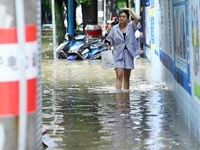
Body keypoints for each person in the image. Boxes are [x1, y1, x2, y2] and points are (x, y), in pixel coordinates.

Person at [105, 8, 141, 90]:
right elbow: (110, 39)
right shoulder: (114, 28)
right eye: (120, 16)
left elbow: (138, 18)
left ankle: (126, 98)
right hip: (118, 54)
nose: (121, 18)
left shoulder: (132, 26)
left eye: (124, 17)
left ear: (127, 19)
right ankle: (118, 98)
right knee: (119, 76)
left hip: (129, 54)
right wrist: (107, 43)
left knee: (126, 78)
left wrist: (129, 10)